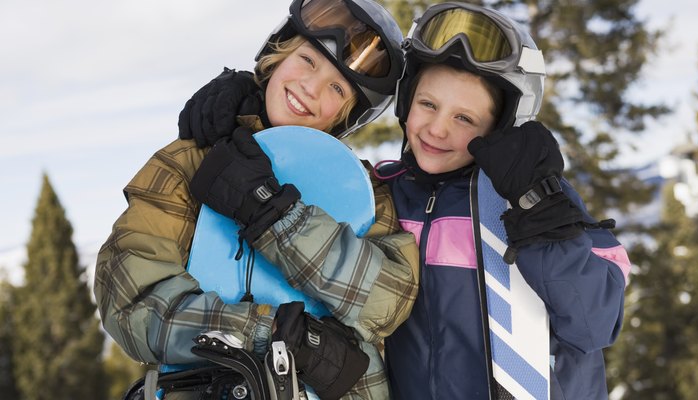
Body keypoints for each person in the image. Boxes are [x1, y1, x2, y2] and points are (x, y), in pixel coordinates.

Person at [93, 0, 419, 399]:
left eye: (337, 87)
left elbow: (389, 301)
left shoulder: (362, 191)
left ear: (346, 115)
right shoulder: (195, 160)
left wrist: (275, 214)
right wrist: (272, 335)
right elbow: (129, 301)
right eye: (308, 60)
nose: (310, 87)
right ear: (277, 56)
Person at [369, 3, 631, 400]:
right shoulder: (387, 196)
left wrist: (539, 213)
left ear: (498, 131)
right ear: (406, 101)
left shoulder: (541, 201)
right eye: (428, 104)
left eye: (464, 119)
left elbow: (593, 324)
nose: (437, 128)